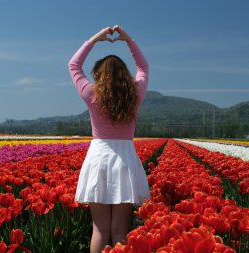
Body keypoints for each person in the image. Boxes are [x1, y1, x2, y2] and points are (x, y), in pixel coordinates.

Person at [68, 25, 150, 253]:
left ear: (99, 75)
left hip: (99, 158)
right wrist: (128, 39)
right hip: (125, 160)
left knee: (100, 229)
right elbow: (143, 67)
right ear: (125, 75)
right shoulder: (135, 95)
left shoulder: (92, 94)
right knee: (119, 231)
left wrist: (95, 39)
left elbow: (73, 65)